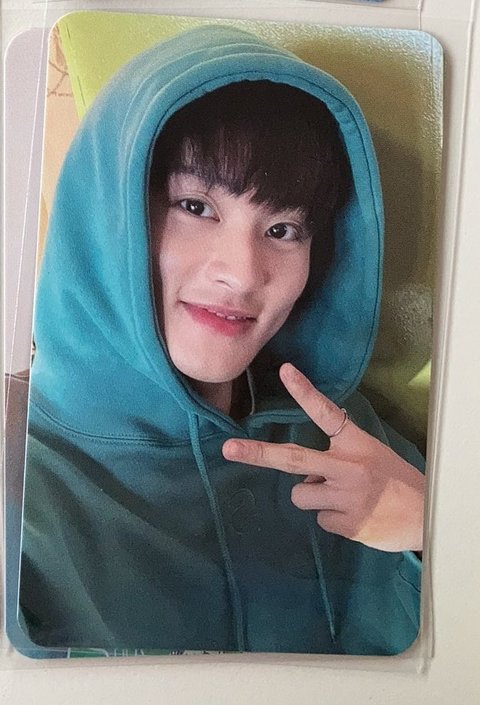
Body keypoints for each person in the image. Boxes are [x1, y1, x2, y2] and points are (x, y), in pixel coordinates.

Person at [15, 25, 425, 657]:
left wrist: (441, 533)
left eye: (283, 229)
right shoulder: (22, 494)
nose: (243, 273)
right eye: (195, 206)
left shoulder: (353, 443)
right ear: (108, 216)